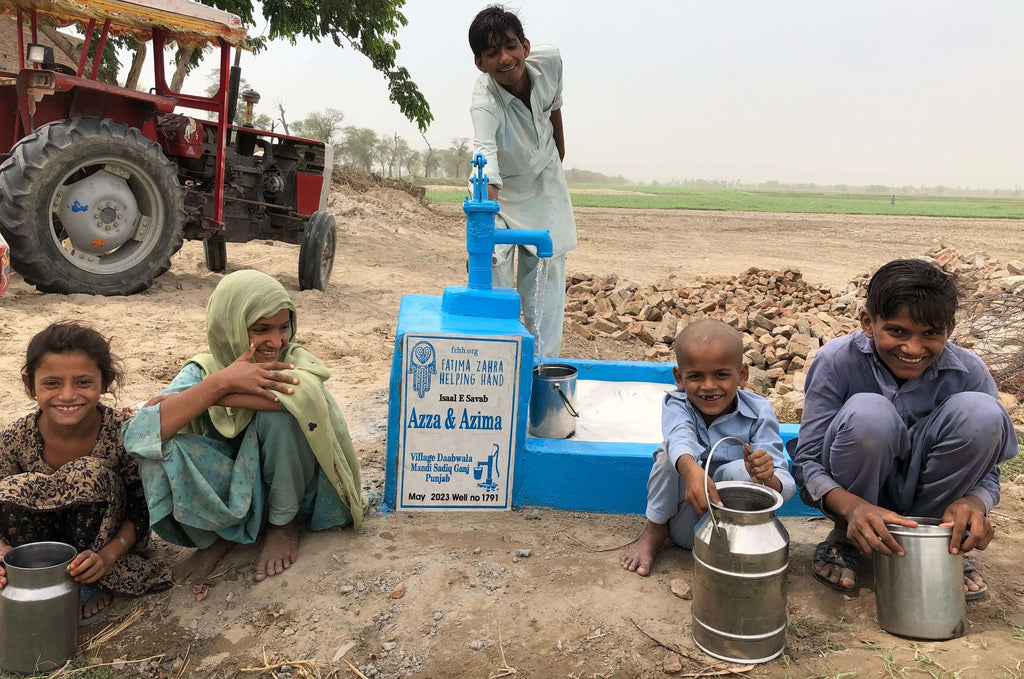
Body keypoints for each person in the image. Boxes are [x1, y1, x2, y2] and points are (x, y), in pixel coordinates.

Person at [791, 259, 1018, 598]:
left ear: (949, 329)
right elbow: (807, 462)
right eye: (897, 331)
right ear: (868, 322)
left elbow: (988, 471)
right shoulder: (837, 360)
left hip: (930, 505)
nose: (913, 349)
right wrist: (853, 508)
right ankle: (846, 535)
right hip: (854, 496)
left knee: (982, 413)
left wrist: (975, 502)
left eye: (930, 334)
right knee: (869, 414)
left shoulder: (968, 372)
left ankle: (935, 538)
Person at [123, 270, 367, 583]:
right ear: (230, 326)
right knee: (159, 450)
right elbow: (139, 433)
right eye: (261, 329)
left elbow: (300, 399)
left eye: (283, 327)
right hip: (230, 491)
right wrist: (220, 381)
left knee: (282, 417)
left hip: (290, 491)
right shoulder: (206, 369)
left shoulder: (292, 359)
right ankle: (217, 538)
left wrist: (214, 397)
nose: (276, 341)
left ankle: (283, 526)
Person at [0, 322, 171, 620]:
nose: (67, 395)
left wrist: (108, 556)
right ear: (30, 384)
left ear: (106, 382)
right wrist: (3, 553)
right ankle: (35, 578)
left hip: (107, 544)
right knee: (10, 490)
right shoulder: (15, 439)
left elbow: (142, 509)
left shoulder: (124, 434)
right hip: (39, 551)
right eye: (52, 383)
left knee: (87, 473)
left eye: (83, 382)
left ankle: (89, 583)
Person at [621, 319, 796, 576]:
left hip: (733, 529)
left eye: (722, 374)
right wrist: (692, 471)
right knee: (670, 456)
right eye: (696, 376)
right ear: (680, 378)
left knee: (741, 470)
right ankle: (654, 533)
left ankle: (728, 554)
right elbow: (679, 437)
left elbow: (785, 485)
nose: (709, 386)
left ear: (743, 375)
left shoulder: (759, 412)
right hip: (684, 523)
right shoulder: (676, 403)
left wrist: (768, 477)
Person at [469, 4, 577, 358]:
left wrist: (558, 153)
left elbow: (554, 104)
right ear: (480, 62)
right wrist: (482, 234)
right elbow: (487, 162)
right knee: (492, 279)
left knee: (545, 300)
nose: (504, 58)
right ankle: (496, 370)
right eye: (492, 52)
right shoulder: (485, 101)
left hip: (545, 187)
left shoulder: (549, 63)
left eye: (511, 46)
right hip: (500, 195)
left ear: (525, 47)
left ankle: (541, 374)